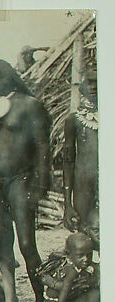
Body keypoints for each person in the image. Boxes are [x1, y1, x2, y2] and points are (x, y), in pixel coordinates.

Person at [0, 59, 50, 302]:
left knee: (27, 243)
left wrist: (40, 186)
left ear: (5, 79)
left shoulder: (30, 106)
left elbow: (43, 146)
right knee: (3, 243)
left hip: (19, 180)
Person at [63, 67, 98, 231]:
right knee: (85, 234)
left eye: (97, 82)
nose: (93, 87)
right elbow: (68, 162)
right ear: (81, 85)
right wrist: (67, 204)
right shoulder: (74, 120)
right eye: (89, 82)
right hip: (83, 187)